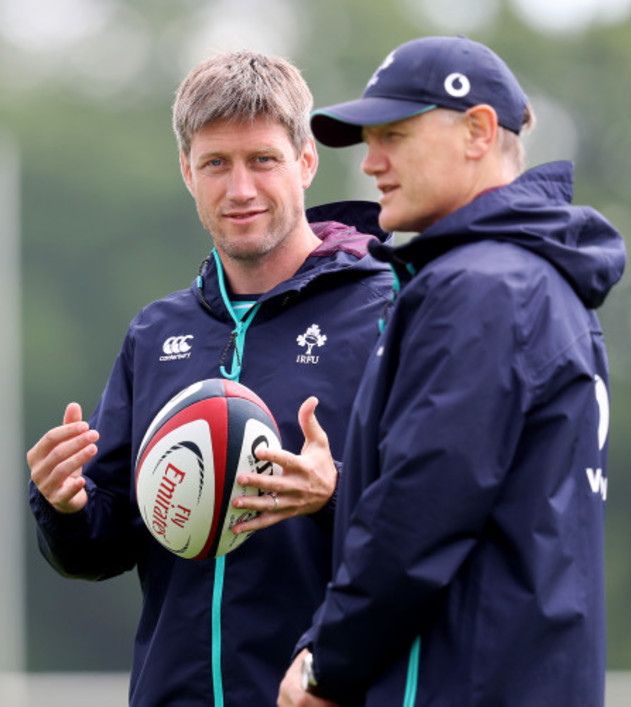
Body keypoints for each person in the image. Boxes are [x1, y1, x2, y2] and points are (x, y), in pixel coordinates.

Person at [27, 50, 393, 706]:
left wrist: (335, 493)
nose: (240, 189)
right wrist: (66, 506)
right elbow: (103, 545)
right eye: (216, 164)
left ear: (306, 161)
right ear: (187, 172)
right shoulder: (154, 333)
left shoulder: (388, 310)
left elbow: (433, 523)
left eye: (263, 160)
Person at [274, 36, 626, 706]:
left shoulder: (480, 287)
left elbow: (419, 511)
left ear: (478, 131)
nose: (372, 163)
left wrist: (329, 659)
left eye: (395, 136)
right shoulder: (540, 280)